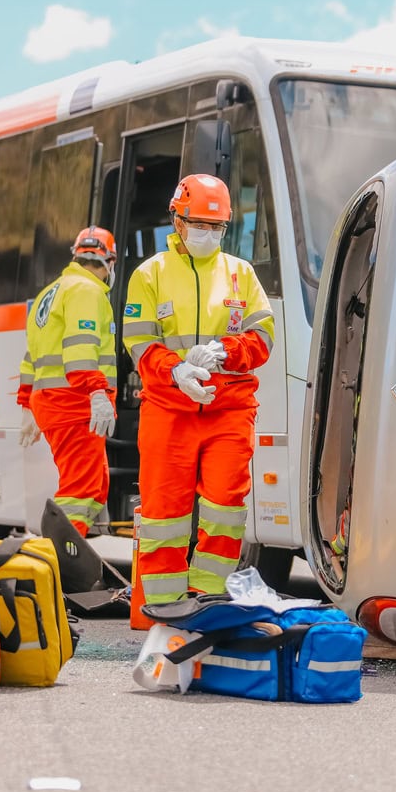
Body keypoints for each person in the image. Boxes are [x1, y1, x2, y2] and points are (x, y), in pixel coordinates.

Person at [123, 173, 275, 603]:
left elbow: (263, 336)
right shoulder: (149, 274)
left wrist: (224, 352)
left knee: (226, 507)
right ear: (178, 221)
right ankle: (163, 604)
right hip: (168, 409)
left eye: (216, 227)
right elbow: (139, 341)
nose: (207, 234)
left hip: (229, 409)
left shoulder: (240, 274)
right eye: (199, 224)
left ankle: (208, 596)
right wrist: (177, 372)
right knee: (163, 512)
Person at [17, 227, 118, 537]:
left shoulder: (52, 291)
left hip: (53, 401)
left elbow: (30, 355)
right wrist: (97, 392)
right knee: (81, 489)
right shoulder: (86, 291)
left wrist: (26, 405)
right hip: (75, 401)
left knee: (95, 482)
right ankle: (61, 562)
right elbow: (80, 349)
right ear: (108, 262)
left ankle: (82, 558)